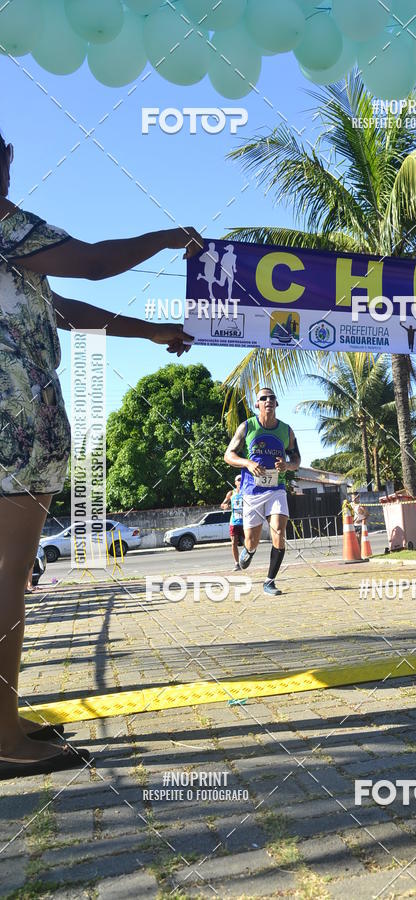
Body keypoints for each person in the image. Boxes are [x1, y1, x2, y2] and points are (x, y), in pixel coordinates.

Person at [0, 128, 202, 778]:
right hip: (16, 418)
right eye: (2, 162)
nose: (7, 176)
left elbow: (63, 307)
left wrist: (151, 331)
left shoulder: (13, 258)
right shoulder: (5, 225)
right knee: (7, 575)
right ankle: (3, 738)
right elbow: (88, 262)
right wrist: (166, 239)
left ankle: (1, 717)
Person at [224, 388, 300, 596]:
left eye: (272, 398)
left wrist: (287, 465)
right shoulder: (247, 427)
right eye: (263, 398)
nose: (268, 400)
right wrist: (247, 463)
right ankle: (249, 550)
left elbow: (296, 460)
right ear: (257, 404)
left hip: (277, 489)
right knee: (251, 540)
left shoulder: (286, 430)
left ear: (276, 404)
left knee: (279, 532)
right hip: (252, 491)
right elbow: (228, 455)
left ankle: (269, 581)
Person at [220, 474, 244, 570]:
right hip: (234, 521)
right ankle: (237, 563)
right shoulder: (231, 493)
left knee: (248, 543)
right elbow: (223, 504)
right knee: (234, 542)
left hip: (245, 521)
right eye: (238, 480)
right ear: (235, 482)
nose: (240, 481)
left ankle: (245, 559)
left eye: (242, 480)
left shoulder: (247, 491)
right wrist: (225, 506)